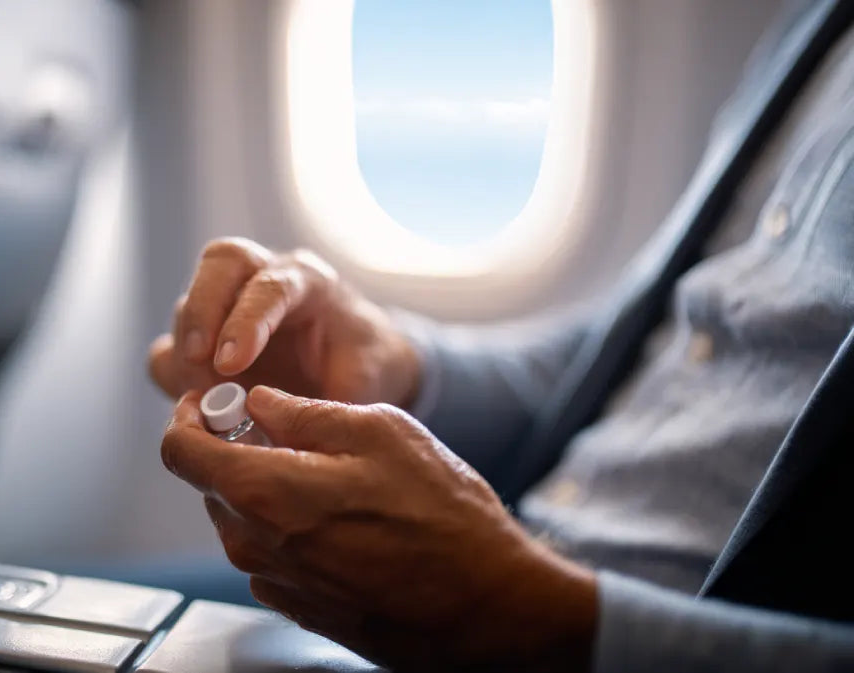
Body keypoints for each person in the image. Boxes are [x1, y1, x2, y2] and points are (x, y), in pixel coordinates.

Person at [148, 1, 854, 671]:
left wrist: (524, 615)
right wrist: (404, 369)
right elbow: (662, 351)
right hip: (490, 568)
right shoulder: (820, 20)